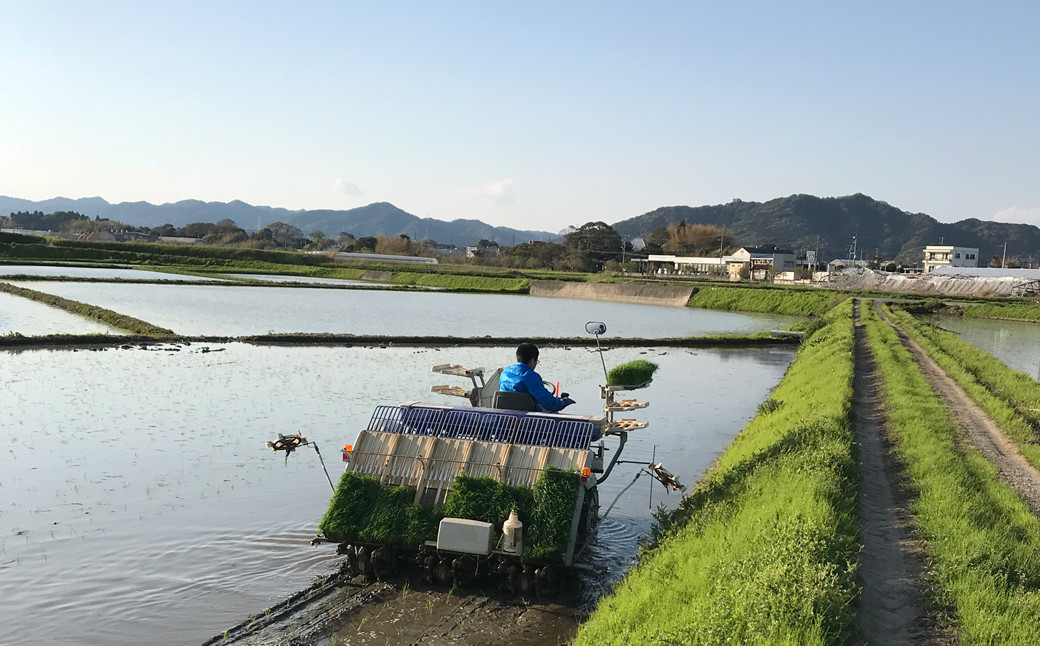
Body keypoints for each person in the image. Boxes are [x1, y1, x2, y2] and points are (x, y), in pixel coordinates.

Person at [499, 342, 575, 412]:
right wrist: (564, 402)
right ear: (532, 360)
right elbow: (549, 403)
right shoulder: (531, 376)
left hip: (506, 416)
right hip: (528, 418)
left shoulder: (504, 373)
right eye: (536, 361)